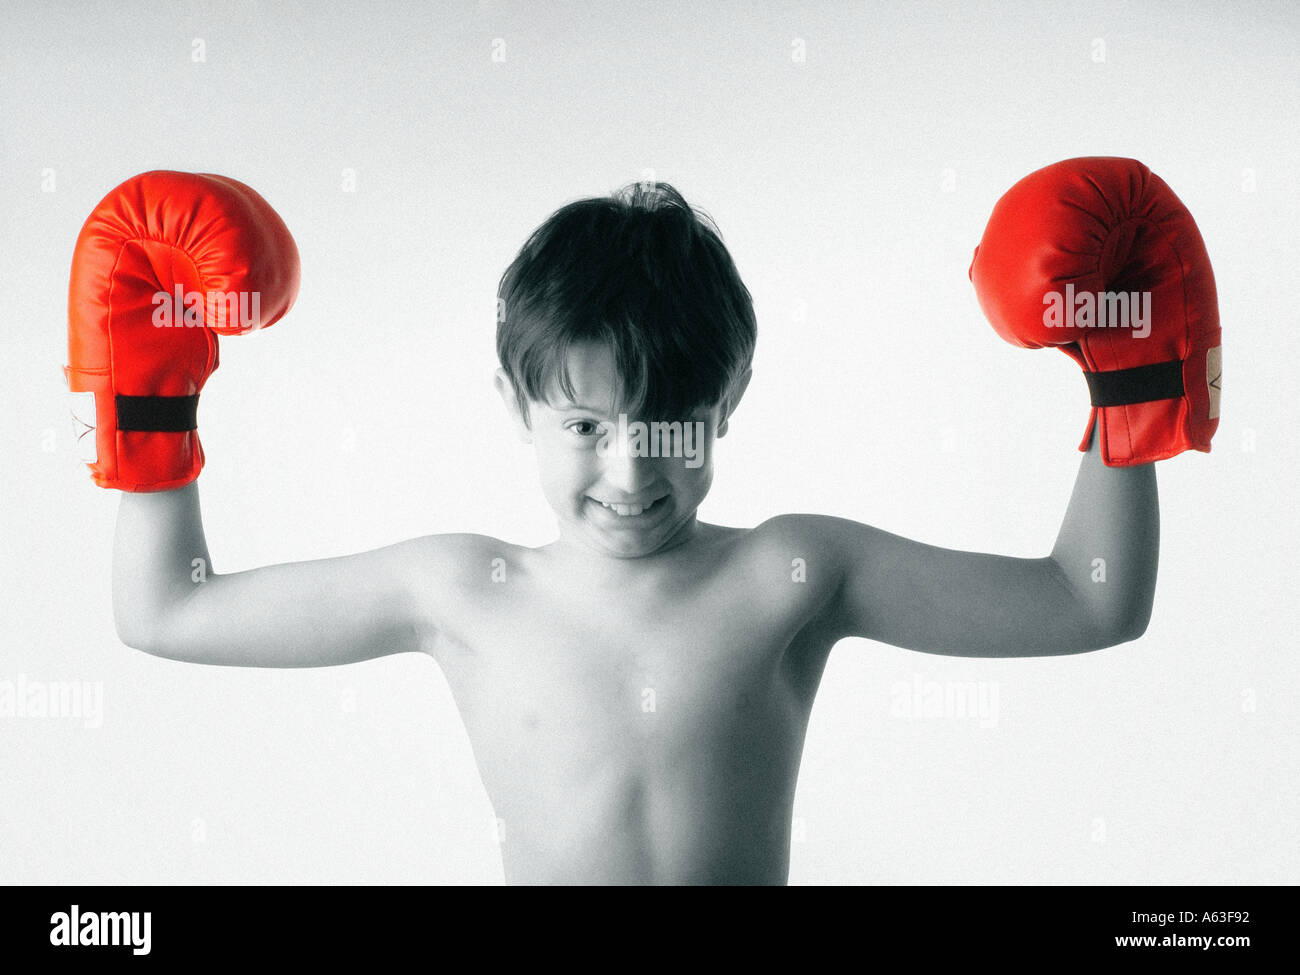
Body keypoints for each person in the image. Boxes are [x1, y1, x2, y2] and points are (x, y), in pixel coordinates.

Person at [71, 159, 1219, 884]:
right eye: (582, 427)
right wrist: (151, 406)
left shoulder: (794, 570)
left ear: (729, 403)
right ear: (516, 407)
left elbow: (1089, 599)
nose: (631, 470)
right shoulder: (460, 590)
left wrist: (1125, 395)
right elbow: (168, 611)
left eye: (673, 423)